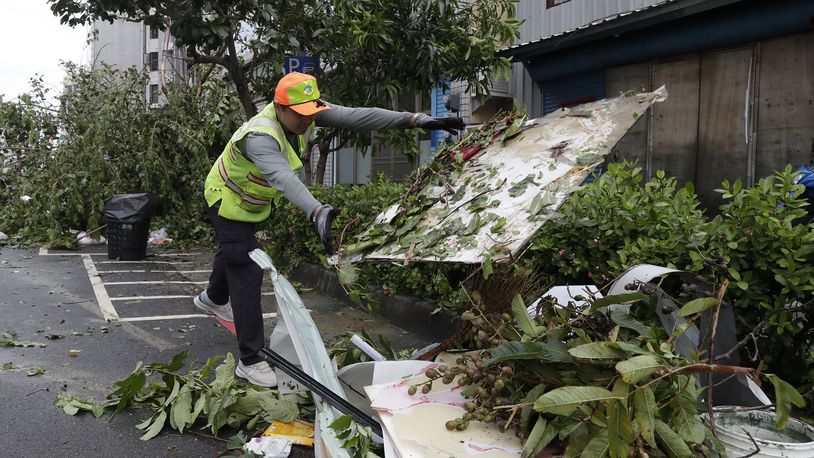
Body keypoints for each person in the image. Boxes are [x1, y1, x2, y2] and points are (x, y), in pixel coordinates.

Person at [194, 72, 465, 387]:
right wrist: (316, 210)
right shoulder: (260, 136)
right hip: (226, 198)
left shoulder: (305, 114)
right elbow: (283, 177)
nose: (306, 121)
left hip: (250, 203)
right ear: (279, 107)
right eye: (298, 115)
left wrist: (415, 120)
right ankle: (251, 360)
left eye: (310, 114)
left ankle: (213, 297)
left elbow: (358, 117)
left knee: (234, 251)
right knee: (247, 267)